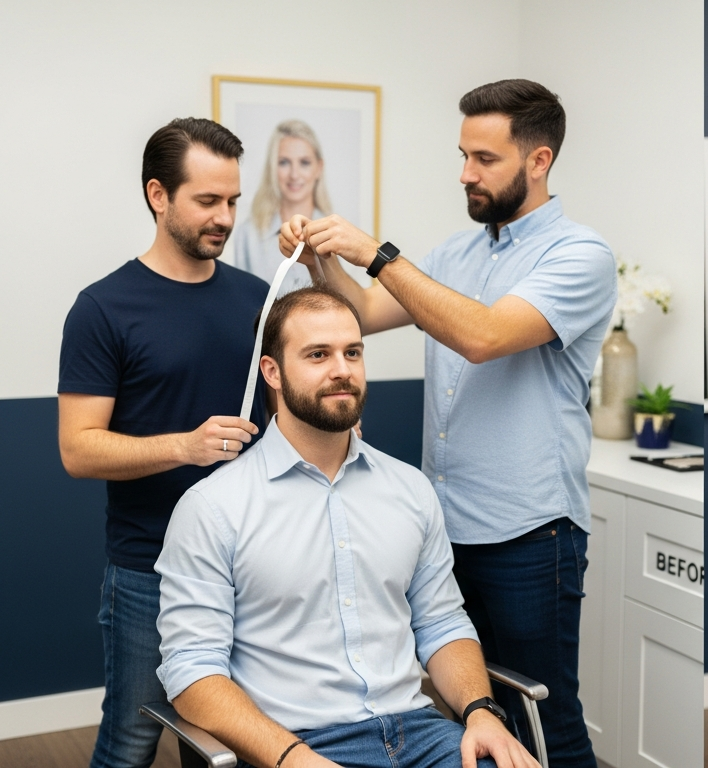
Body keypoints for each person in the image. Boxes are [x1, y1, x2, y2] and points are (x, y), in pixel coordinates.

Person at [278, 79, 615, 768]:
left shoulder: (580, 255)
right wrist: (320, 262)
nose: (465, 173)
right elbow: (365, 312)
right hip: (447, 527)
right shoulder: (456, 254)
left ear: (539, 160)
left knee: (547, 721)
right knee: (476, 713)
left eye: (484, 159)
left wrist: (378, 253)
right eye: (463, 155)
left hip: (529, 532)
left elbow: (484, 335)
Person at [156, 287, 538, 768]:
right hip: (296, 743)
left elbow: (441, 623)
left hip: (420, 732)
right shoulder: (213, 508)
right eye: (318, 354)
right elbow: (192, 672)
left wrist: (481, 713)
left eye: (352, 352)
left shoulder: (409, 489)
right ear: (272, 371)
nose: (342, 369)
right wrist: (295, 758)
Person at [57, 118, 268, 768]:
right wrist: (185, 447)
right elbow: (78, 449)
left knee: (230, 743)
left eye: (232, 200)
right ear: (158, 195)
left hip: (252, 565)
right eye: (207, 200)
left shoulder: (258, 298)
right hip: (149, 570)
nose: (225, 217)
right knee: (130, 743)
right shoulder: (103, 308)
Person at [229, 120, 333, 293]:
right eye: (284, 162)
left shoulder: (335, 233)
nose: (294, 175)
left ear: (318, 168)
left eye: (304, 162)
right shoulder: (247, 234)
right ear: (272, 168)